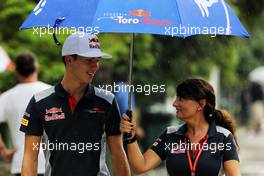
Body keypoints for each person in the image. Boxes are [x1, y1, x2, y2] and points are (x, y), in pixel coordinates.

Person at [20, 32, 130, 176]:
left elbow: (117, 154)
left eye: (97, 60)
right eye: (89, 60)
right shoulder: (40, 102)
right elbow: (30, 158)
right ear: (69, 60)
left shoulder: (107, 101)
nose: (95, 66)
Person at [120, 78, 240, 176]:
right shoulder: (169, 135)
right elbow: (140, 166)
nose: (174, 103)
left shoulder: (224, 137)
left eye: (181, 98)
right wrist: (131, 137)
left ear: (201, 104)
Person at [0, 52, 50, 176]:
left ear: (16, 71)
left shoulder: (6, 97)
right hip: (51, 162)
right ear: (36, 67)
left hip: (21, 164)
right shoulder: (52, 93)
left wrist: (3, 150)